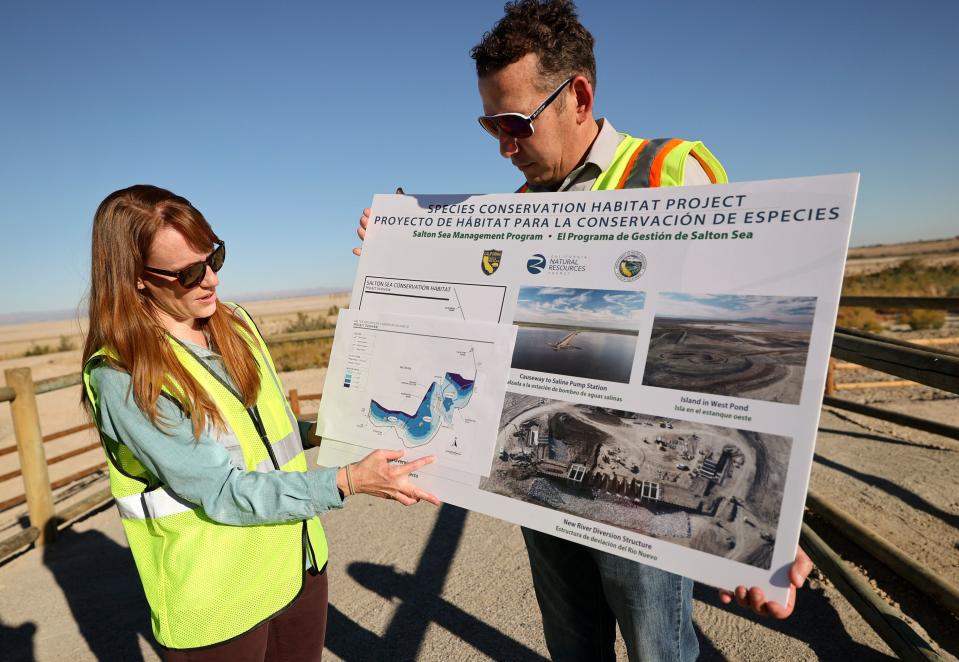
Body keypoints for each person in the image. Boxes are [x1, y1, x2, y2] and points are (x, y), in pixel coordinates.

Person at [355, 2, 813, 660]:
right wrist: (398, 257)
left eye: (514, 124)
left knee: (658, 646)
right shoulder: (517, 209)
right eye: (490, 127)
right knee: (572, 645)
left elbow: (737, 349)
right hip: (546, 474)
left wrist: (775, 524)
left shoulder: (669, 172)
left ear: (578, 96)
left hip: (644, 493)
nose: (504, 146)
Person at [81, 184, 439, 661]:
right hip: (220, 603)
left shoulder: (237, 325)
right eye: (188, 272)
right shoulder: (126, 376)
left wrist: (337, 429)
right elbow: (222, 490)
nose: (210, 280)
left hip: (298, 567)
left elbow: (269, 430)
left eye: (215, 258)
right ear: (136, 278)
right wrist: (349, 480)